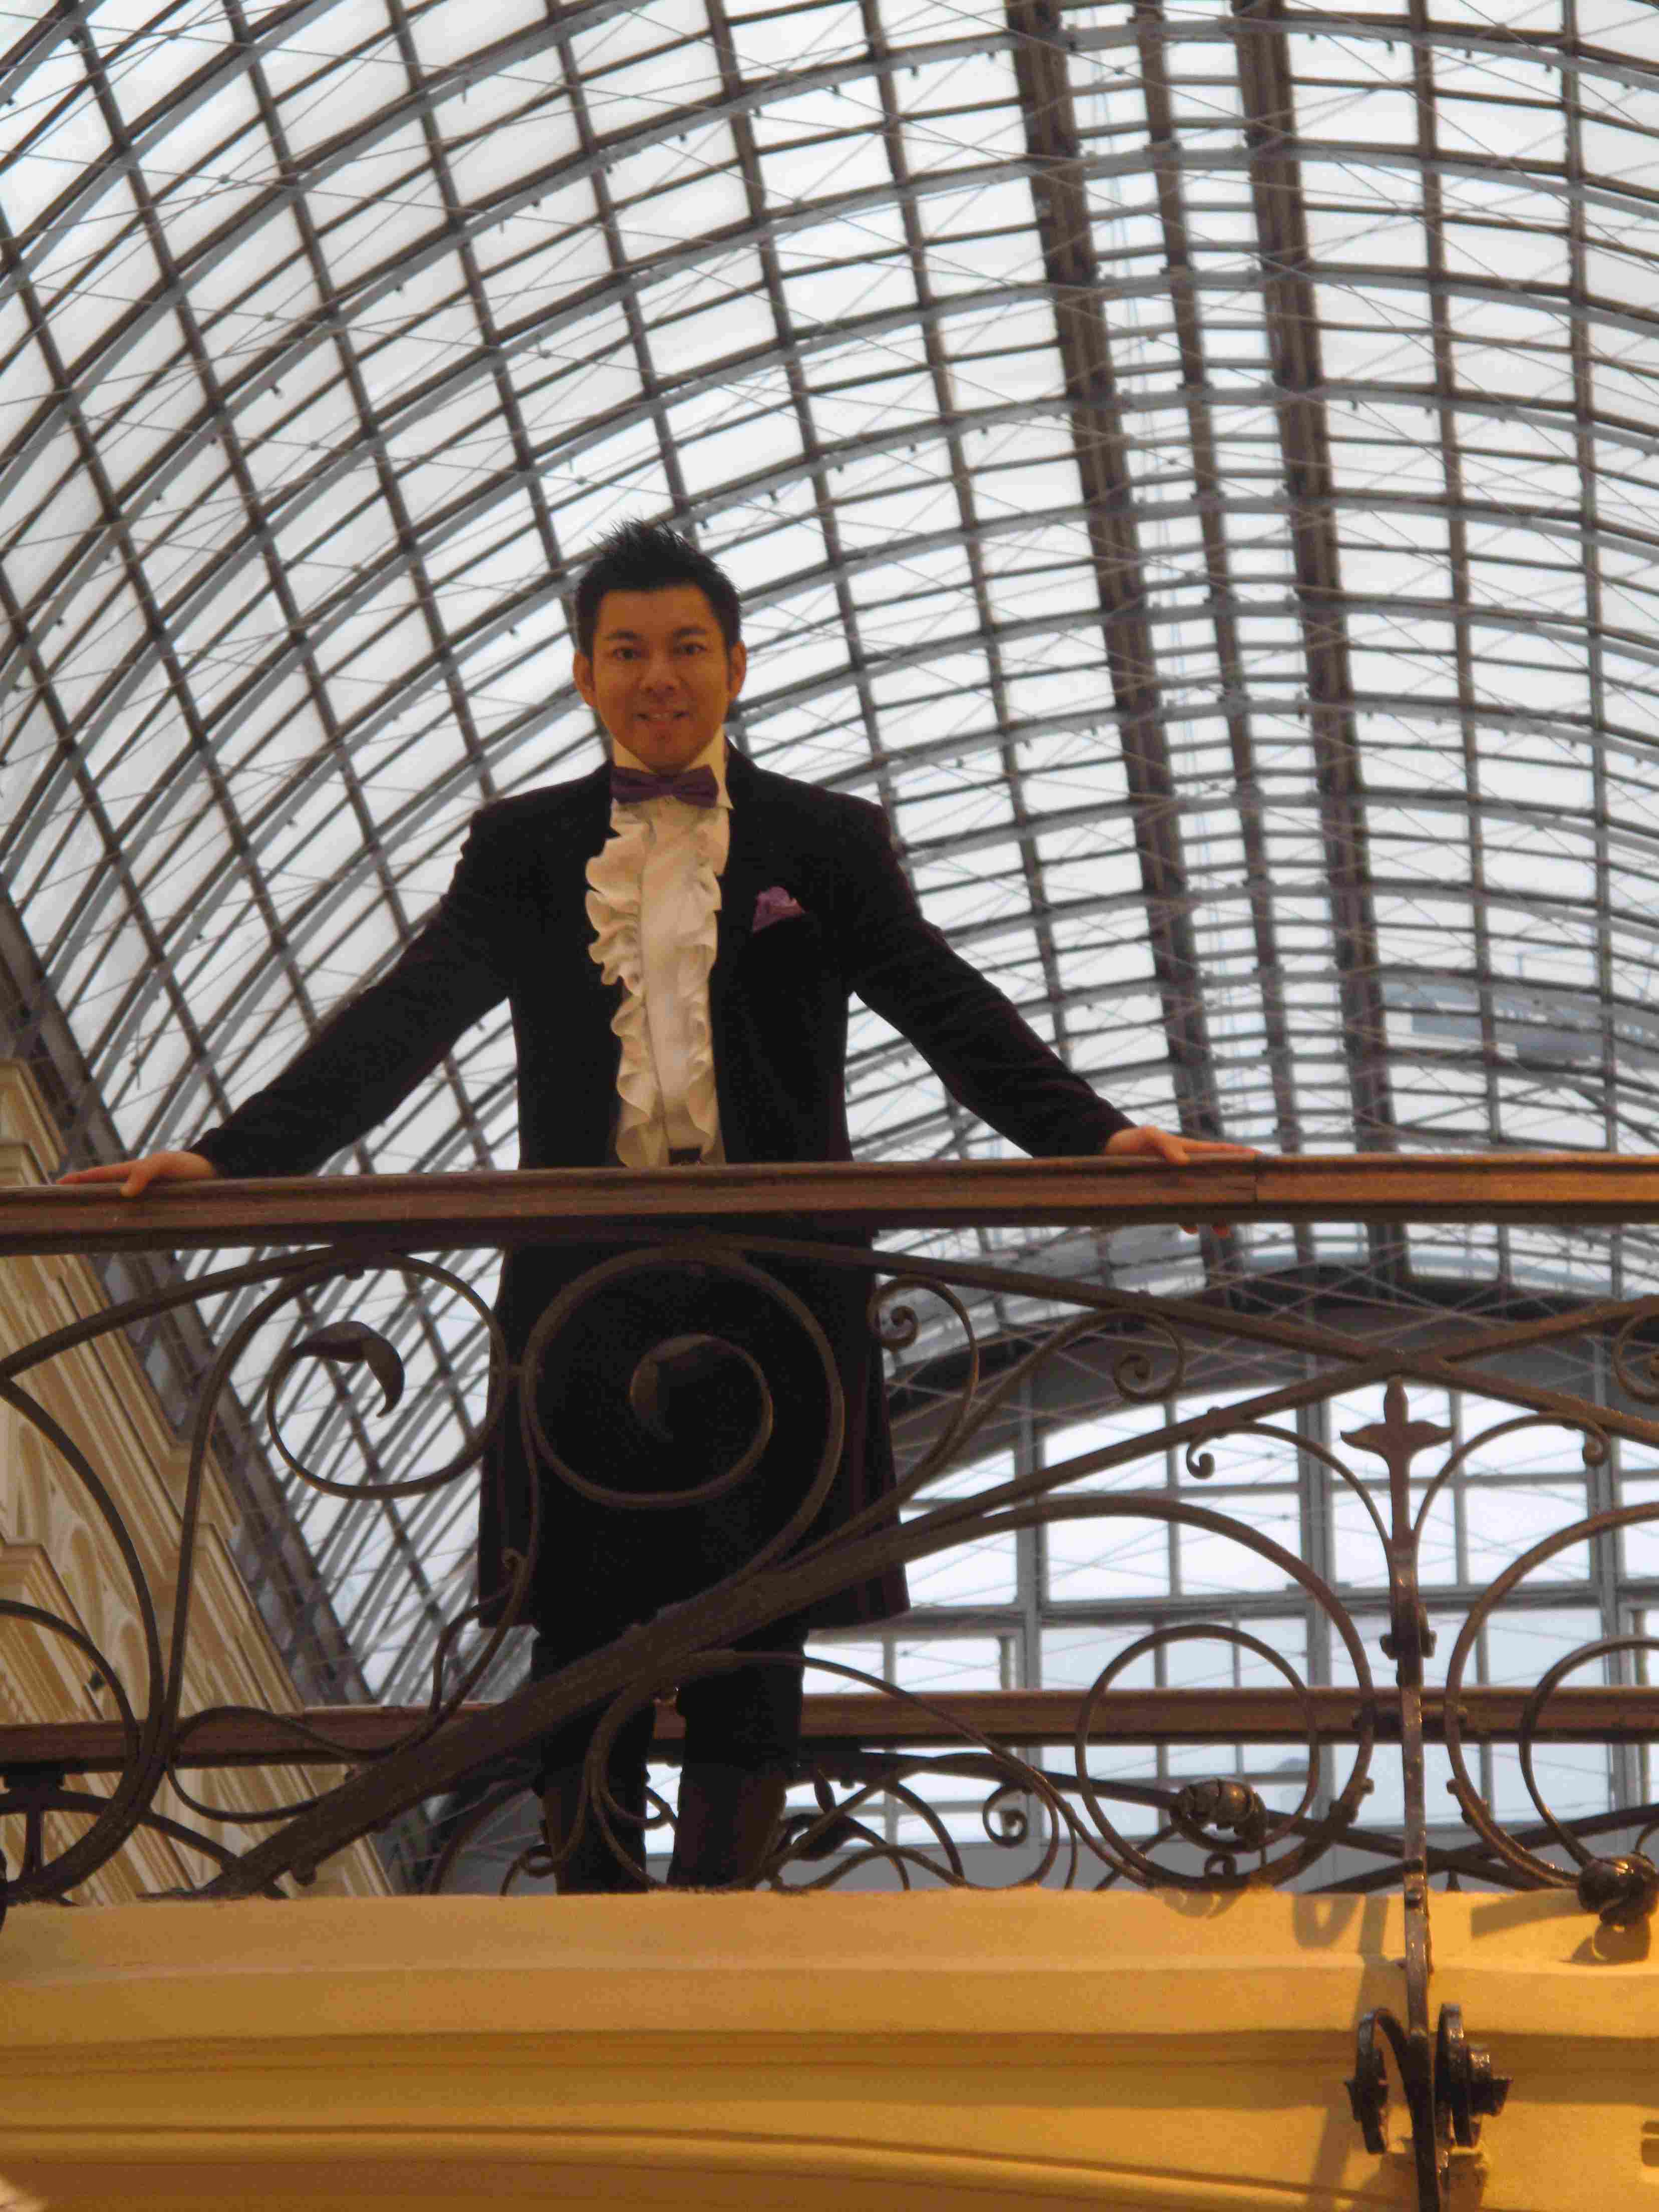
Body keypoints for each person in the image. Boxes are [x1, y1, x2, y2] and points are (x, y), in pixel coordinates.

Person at [61, 520, 1252, 1890]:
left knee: (762, 1616)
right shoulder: (523, 849)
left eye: (686, 647)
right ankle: (596, 1912)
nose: (658, 676)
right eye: (626, 651)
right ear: (586, 676)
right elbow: (403, 1021)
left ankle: (714, 1915)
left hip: (778, 1282)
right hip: (588, 1281)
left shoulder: (823, 840)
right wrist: (232, 1160)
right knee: (581, 1618)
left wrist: (1093, 1138)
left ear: (736, 664)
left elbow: (942, 1004)